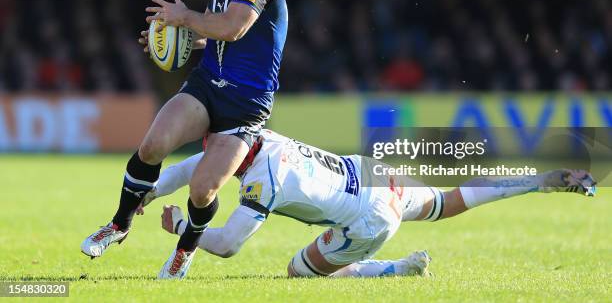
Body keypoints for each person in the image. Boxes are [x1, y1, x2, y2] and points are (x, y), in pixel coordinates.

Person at [81, 0, 289, 279]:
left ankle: (184, 250)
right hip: (208, 84)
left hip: (246, 104)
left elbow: (233, 27)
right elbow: (221, 38)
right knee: (152, 145)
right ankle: (119, 225)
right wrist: (178, 39)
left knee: (202, 190)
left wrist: (185, 17)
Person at [138, 129, 596, 278]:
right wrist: (151, 191)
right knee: (447, 202)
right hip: (373, 173)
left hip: (369, 218)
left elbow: (227, 245)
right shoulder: (253, 136)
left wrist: (181, 226)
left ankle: (396, 269)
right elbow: (192, 165)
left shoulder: (263, 184)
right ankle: (539, 180)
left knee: (299, 270)